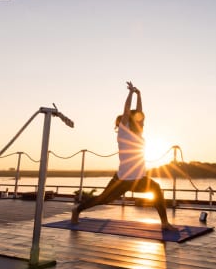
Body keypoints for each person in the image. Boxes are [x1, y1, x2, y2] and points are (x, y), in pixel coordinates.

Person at [71, 82, 177, 231]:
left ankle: (165, 223)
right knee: (103, 199)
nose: (141, 121)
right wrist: (131, 93)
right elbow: (127, 111)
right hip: (122, 180)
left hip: (138, 178)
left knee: (156, 189)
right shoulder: (123, 131)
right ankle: (77, 210)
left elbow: (140, 112)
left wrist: (140, 94)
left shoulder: (139, 133)